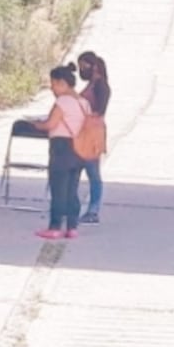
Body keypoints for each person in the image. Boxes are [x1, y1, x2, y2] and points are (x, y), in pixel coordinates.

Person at [32, 64, 91, 239]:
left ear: (62, 83)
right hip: (79, 148)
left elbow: (51, 124)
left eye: (53, 84)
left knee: (58, 188)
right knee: (72, 189)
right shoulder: (84, 103)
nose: (52, 89)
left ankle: (55, 226)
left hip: (61, 147)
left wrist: (37, 125)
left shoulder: (62, 101)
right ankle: (72, 226)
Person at [77, 51, 110, 224]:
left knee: (93, 173)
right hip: (82, 132)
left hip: (93, 133)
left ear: (94, 66)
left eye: (84, 66)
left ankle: (94, 209)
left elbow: (99, 110)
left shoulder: (101, 85)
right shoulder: (90, 84)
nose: (81, 70)